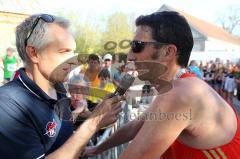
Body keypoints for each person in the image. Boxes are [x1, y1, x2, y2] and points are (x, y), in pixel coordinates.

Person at [83, 11, 240, 159]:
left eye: (137, 46)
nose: (130, 55)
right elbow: (135, 127)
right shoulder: (180, 85)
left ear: (168, 52)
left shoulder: (180, 94)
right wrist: (96, 149)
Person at [0, 14, 123, 159]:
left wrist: (91, 115)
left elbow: (57, 133)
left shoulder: (59, 88)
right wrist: (93, 123)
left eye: (73, 51)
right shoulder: (7, 104)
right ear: (34, 53)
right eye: (64, 51)